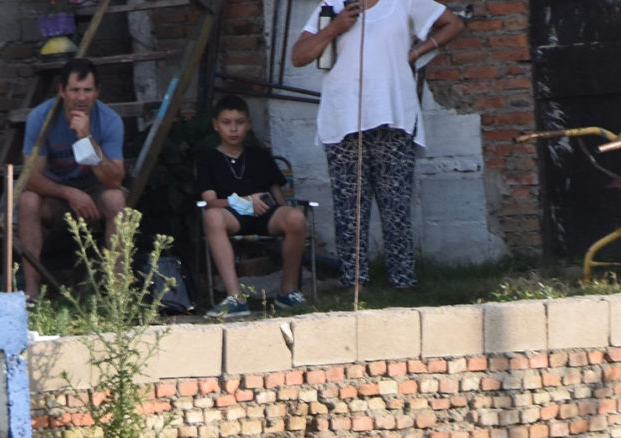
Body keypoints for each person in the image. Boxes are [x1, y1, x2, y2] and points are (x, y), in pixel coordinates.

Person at [291, 0, 463, 292]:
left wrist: (417, 53)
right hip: (344, 120)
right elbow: (299, 56)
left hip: (393, 116)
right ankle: (355, 282)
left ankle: (403, 280)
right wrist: (334, 27)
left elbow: (453, 23)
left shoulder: (404, 2)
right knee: (349, 208)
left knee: (396, 204)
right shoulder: (332, 5)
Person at [17, 60, 129, 304]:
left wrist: (87, 139)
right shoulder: (41, 117)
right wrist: (68, 193)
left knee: (116, 199)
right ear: (62, 91)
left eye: (87, 90)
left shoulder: (109, 120)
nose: (81, 97)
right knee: (27, 201)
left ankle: (117, 295)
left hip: (95, 193)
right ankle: (31, 296)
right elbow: (30, 178)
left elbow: (114, 179)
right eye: (75, 90)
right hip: (56, 197)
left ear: (97, 92)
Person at [195, 95, 309, 313]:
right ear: (216, 125)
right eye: (227, 123)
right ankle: (235, 298)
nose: (234, 129)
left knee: (295, 217)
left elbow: (278, 197)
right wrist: (242, 201)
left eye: (239, 122)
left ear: (248, 124)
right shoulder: (208, 159)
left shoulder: (259, 155)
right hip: (232, 214)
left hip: (264, 212)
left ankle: (288, 291)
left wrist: (290, 218)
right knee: (211, 216)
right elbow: (210, 201)